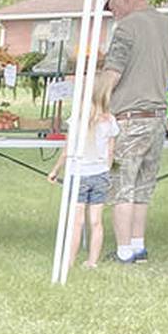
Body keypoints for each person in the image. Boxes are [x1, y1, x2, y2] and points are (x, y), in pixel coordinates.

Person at [97, 0, 168, 263]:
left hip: (129, 119)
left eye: (112, 6)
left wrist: (95, 103)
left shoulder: (127, 27)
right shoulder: (167, 26)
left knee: (122, 186)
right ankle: (138, 245)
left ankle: (123, 251)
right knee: (143, 187)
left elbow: (113, 73)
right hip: (157, 118)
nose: (112, 12)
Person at [47, 78, 119, 271]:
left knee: (76, 221)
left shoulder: (77, 120)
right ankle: (92, 261)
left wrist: (55, 170)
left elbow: (67, 150)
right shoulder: (110, 121)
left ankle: (69, 261)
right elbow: (111, 151)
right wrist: (106, 168)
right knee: (96, 221)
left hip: (79, 173)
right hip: (100, 174)